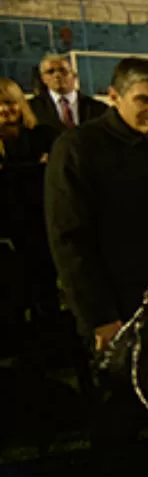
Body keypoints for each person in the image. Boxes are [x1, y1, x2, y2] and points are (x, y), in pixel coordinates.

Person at [45, 58, 148, 349]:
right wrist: (99, 316)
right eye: (144, 100)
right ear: (114, 96)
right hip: (118, 300)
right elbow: (69, 237)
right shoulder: (78, 148)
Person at [0, 78, 62, 342]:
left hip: (42, 223)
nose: (5, 109)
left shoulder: (45, 135)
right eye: (0, 104)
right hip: (6, 230)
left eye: (10, 102)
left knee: (46, 289)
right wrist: (34, 168)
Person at [29, 54, 108, 132]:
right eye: (51, 72)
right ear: (43, 79)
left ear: (74, 75)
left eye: (62, 70)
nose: (57, 75)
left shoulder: (99, 108)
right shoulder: (32, 108)